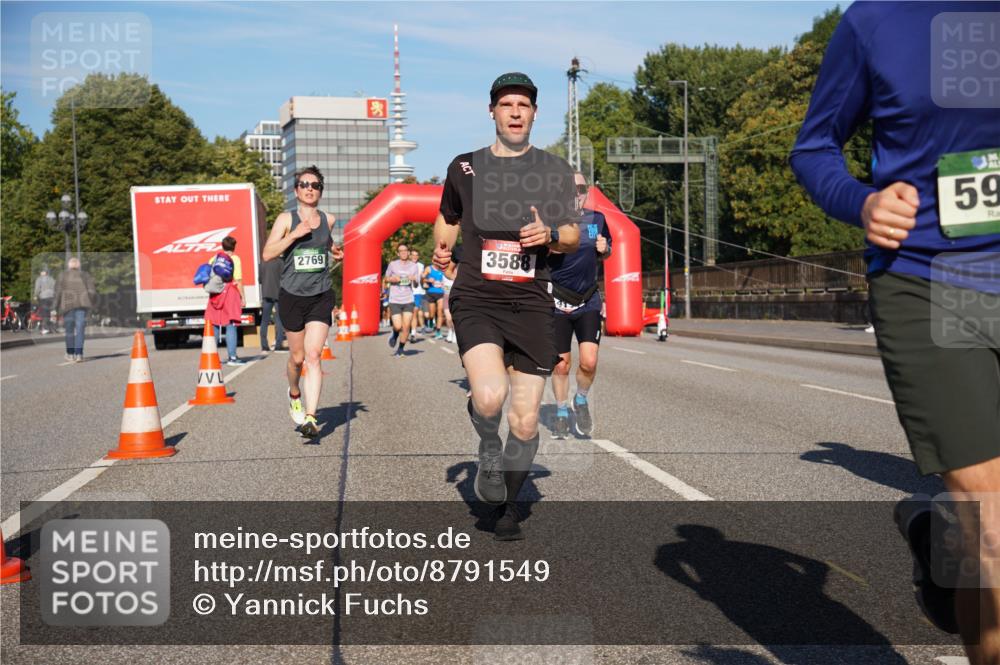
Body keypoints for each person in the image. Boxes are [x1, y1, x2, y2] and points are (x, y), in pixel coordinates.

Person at [790, 2, 1000, 659]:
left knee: (981, 535)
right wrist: (863, 200)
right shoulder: (876, 22)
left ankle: (943, 535)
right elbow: (814, 146)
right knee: (993, 525)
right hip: (930, 278)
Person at [433, 72, 580, 540]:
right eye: (506, 105)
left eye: (524, 105)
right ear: (492, 112)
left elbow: (573, 234)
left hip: (532, 301)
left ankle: (510, 505)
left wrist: (552, 236)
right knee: (491, 396)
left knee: (525, 418)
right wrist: (442, 246)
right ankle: (485, 443)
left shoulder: (554, 170)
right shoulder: (465, 168)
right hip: (477, 297)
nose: (515, 112)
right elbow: (448, 216)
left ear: (534, 114)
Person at [262, 165, 344, 439]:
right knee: (296, 359)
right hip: (292, 296)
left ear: (321, 191)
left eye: (315, 185)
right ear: (296, 190)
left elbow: (326, 243)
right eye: (305, 184)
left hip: (320, 295)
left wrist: (334, 250)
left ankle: (310, 417)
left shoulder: (329, 219)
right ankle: (294, 393)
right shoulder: (286, 219)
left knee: (313, 355)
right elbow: (267, 254)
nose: (310, 188)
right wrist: (295, 235)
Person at [548, 171, 612, 439]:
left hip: (588, 299)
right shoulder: (550, 218)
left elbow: (607, 250)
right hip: (556, 301)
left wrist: (604, 248)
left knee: (589, 361)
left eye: (581, 188)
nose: (576, 193)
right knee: (561, 364)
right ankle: (562, 410)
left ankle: (581, 400)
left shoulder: (596, 219)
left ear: (587, 191)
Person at [205, 236, 246, 366]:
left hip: (215, 294)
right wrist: (243, 297)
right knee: (231, 324)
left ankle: (211, 357)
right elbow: (238, 280)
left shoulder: (214, 258)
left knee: (215, 325)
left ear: (223, 246)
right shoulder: (235, 259)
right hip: (230, 293)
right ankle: (232, 357)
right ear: (234, 247)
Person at [54, 257, 96, 362]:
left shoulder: (62, 275)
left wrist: (54, 306)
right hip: (82, 305)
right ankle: (79, 354)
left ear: (69, 266)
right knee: (80, 330)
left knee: (69, 331)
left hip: (67, 306)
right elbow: (92, 292)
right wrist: (90, 302)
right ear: (78, 266)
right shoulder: (85, 275)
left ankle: (70, 354)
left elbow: (58, 292)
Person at [384, 243, 421, 357]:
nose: (404, 252)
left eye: (405, 250)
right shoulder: (393, 264)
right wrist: (393, 279)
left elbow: (416, 284)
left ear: (408, 252)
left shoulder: (414, 266)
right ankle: (395, 334)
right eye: (401, 251)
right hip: (395, 299)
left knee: (406, 326)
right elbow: (386, 279)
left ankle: (400, 349)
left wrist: (414, 279)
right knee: (398, 326)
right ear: (398, 253)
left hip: (408, 299)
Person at [259, 256, 285, 353]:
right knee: (279, 319)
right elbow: (284, 277)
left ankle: (264, 346)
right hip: (278, 293)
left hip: (266, 293)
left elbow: (260, 279)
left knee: (264, 320)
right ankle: (278, 345)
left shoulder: (263, 262)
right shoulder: (280, 262)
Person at [423, 262, 446, 339]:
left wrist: (444, 283)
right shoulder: (429, 268)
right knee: (432, 314)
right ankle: (431, 320)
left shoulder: (443, 269)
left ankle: (438, 331)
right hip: (431, 293)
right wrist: (427, 280)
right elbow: (422, 277)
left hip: (441, 293)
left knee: (440, 311)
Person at [409, 248, 426, 339]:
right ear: (410, 256)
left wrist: (424, 279)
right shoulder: (405, 265)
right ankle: (408, 328)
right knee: (408, 313)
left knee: (415, 311)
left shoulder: (421, 266)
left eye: (416, 255)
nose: (415, 257)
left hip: (417, 291)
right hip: (406, 292)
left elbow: (422, 278)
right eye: (413, 255)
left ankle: (413, 333)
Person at [33, 267, 55, 334]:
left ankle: (45, 328)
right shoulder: (51, 279)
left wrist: (35, 295)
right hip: (51, 297)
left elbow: (37, 289)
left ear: (43, 272)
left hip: (44, 297)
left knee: (44, 313)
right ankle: (51, 328)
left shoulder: (39, 279)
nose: (40, 273)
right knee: (50, 312)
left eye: (41, 271)